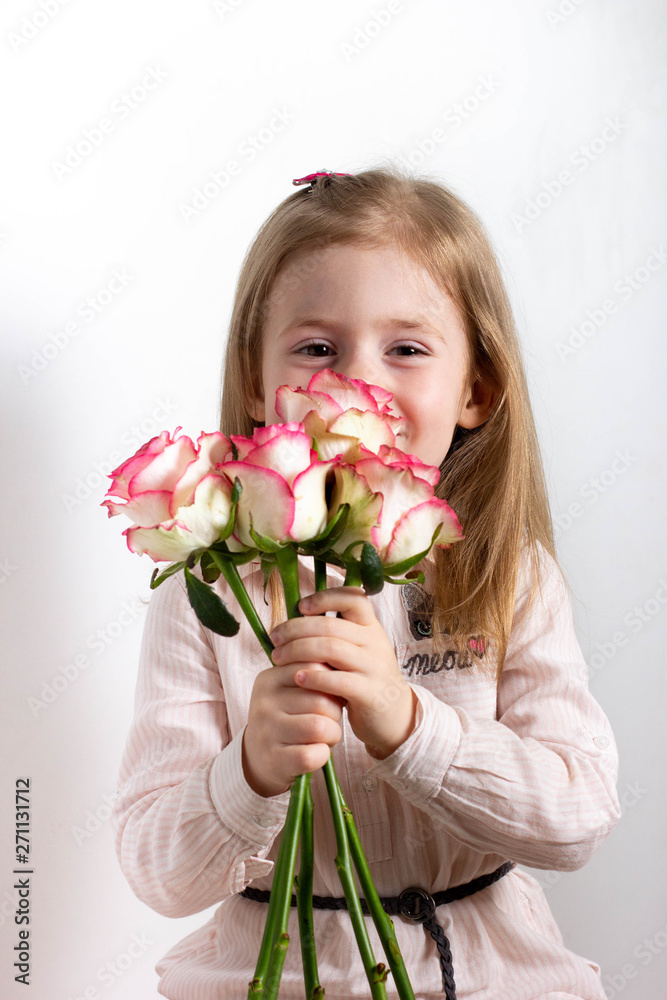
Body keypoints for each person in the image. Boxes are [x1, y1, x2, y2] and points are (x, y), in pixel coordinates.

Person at [111, 166, 621, 999]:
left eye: (407, 349)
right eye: (316, 348)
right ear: (253, 377)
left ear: (476, 388)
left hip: (490, 976)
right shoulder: (208, 592)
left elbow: (576, 819)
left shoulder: (507, 572)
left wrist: (409, 723)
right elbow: (157, 871)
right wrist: (248, 771)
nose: (357, 384)